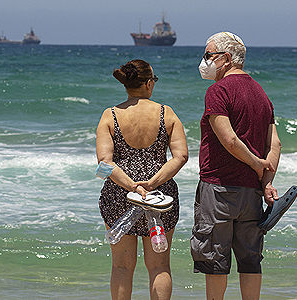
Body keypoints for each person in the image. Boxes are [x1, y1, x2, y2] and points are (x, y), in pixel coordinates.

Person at [191, 32, 282, 300]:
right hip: (252, 192)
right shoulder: (261, 93)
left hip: (219, 188)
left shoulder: (217, 91)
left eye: (208, 55)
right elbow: (274, 144)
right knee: (251, 259)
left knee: (214, 259)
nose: (204, 61)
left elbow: (229, 139)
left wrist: (256, 164)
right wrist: (265, 180)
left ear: (226, 59)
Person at [96, 59, 188, 300]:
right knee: (159, 266)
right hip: (159, 197)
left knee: (121, 266)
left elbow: (104, 165)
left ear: (126, 85)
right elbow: (181, 157)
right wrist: (151, 184)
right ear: (148, 83)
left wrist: (132, 186)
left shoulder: (111, 115)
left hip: (119, 196)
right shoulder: (166, 113)